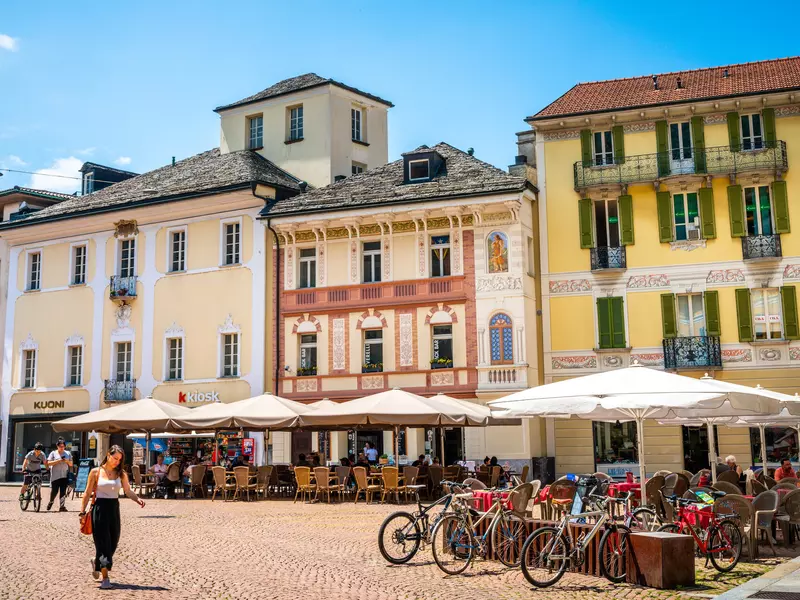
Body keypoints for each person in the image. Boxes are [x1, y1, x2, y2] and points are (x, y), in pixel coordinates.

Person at [80, 445, 145, 590]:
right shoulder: (95, 472)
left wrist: (137, 499)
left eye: (119, 460)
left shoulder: (121, 474)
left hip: (114, 509)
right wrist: (82, 512)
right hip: (100, 509)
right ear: (108, 455)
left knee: (113, 542)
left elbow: (127, 490)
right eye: (115, 458)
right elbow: (87, 492)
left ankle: (96, 561)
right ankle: (105, 578)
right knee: (103, 544)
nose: (117, 462)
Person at [47, 437, 73, 511]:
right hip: (55, 476)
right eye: (60, 446)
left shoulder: (68, 453)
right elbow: (48, 463)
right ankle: (51, 501)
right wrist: (58, 461)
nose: (62, 448)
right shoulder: (53, 453)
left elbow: (71, 464)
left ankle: (62, 506)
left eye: (63, 446)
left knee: (63, 491)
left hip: (64, 475)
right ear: (57, 446)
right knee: (54, 491)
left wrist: (67, 461)